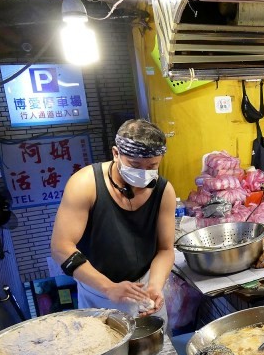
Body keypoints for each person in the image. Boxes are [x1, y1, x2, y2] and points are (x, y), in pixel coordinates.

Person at [51, 119, 176, 319]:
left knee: (157, 347)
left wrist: (155, 285)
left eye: (152, 165)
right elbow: (61, 248)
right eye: (135, 165)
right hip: (98, 290)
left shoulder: (163, 191)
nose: (144, 173)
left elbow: (165, 249)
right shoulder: (85, 184)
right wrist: (109, 288)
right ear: (116, 153)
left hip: (144, 290)